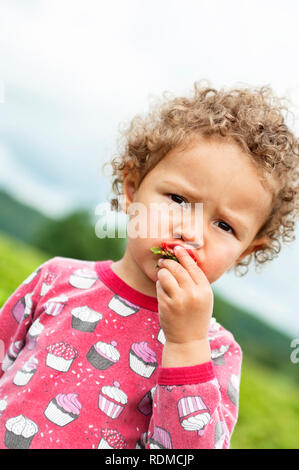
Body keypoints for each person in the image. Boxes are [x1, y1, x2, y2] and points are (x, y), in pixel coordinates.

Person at [0, 82, 298, 449]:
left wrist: (186, 343)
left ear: (246, 251)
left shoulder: (214, 351)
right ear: (131, 188)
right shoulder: (56, 279)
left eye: (224, 225)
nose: (190, 232)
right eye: (178, 199)